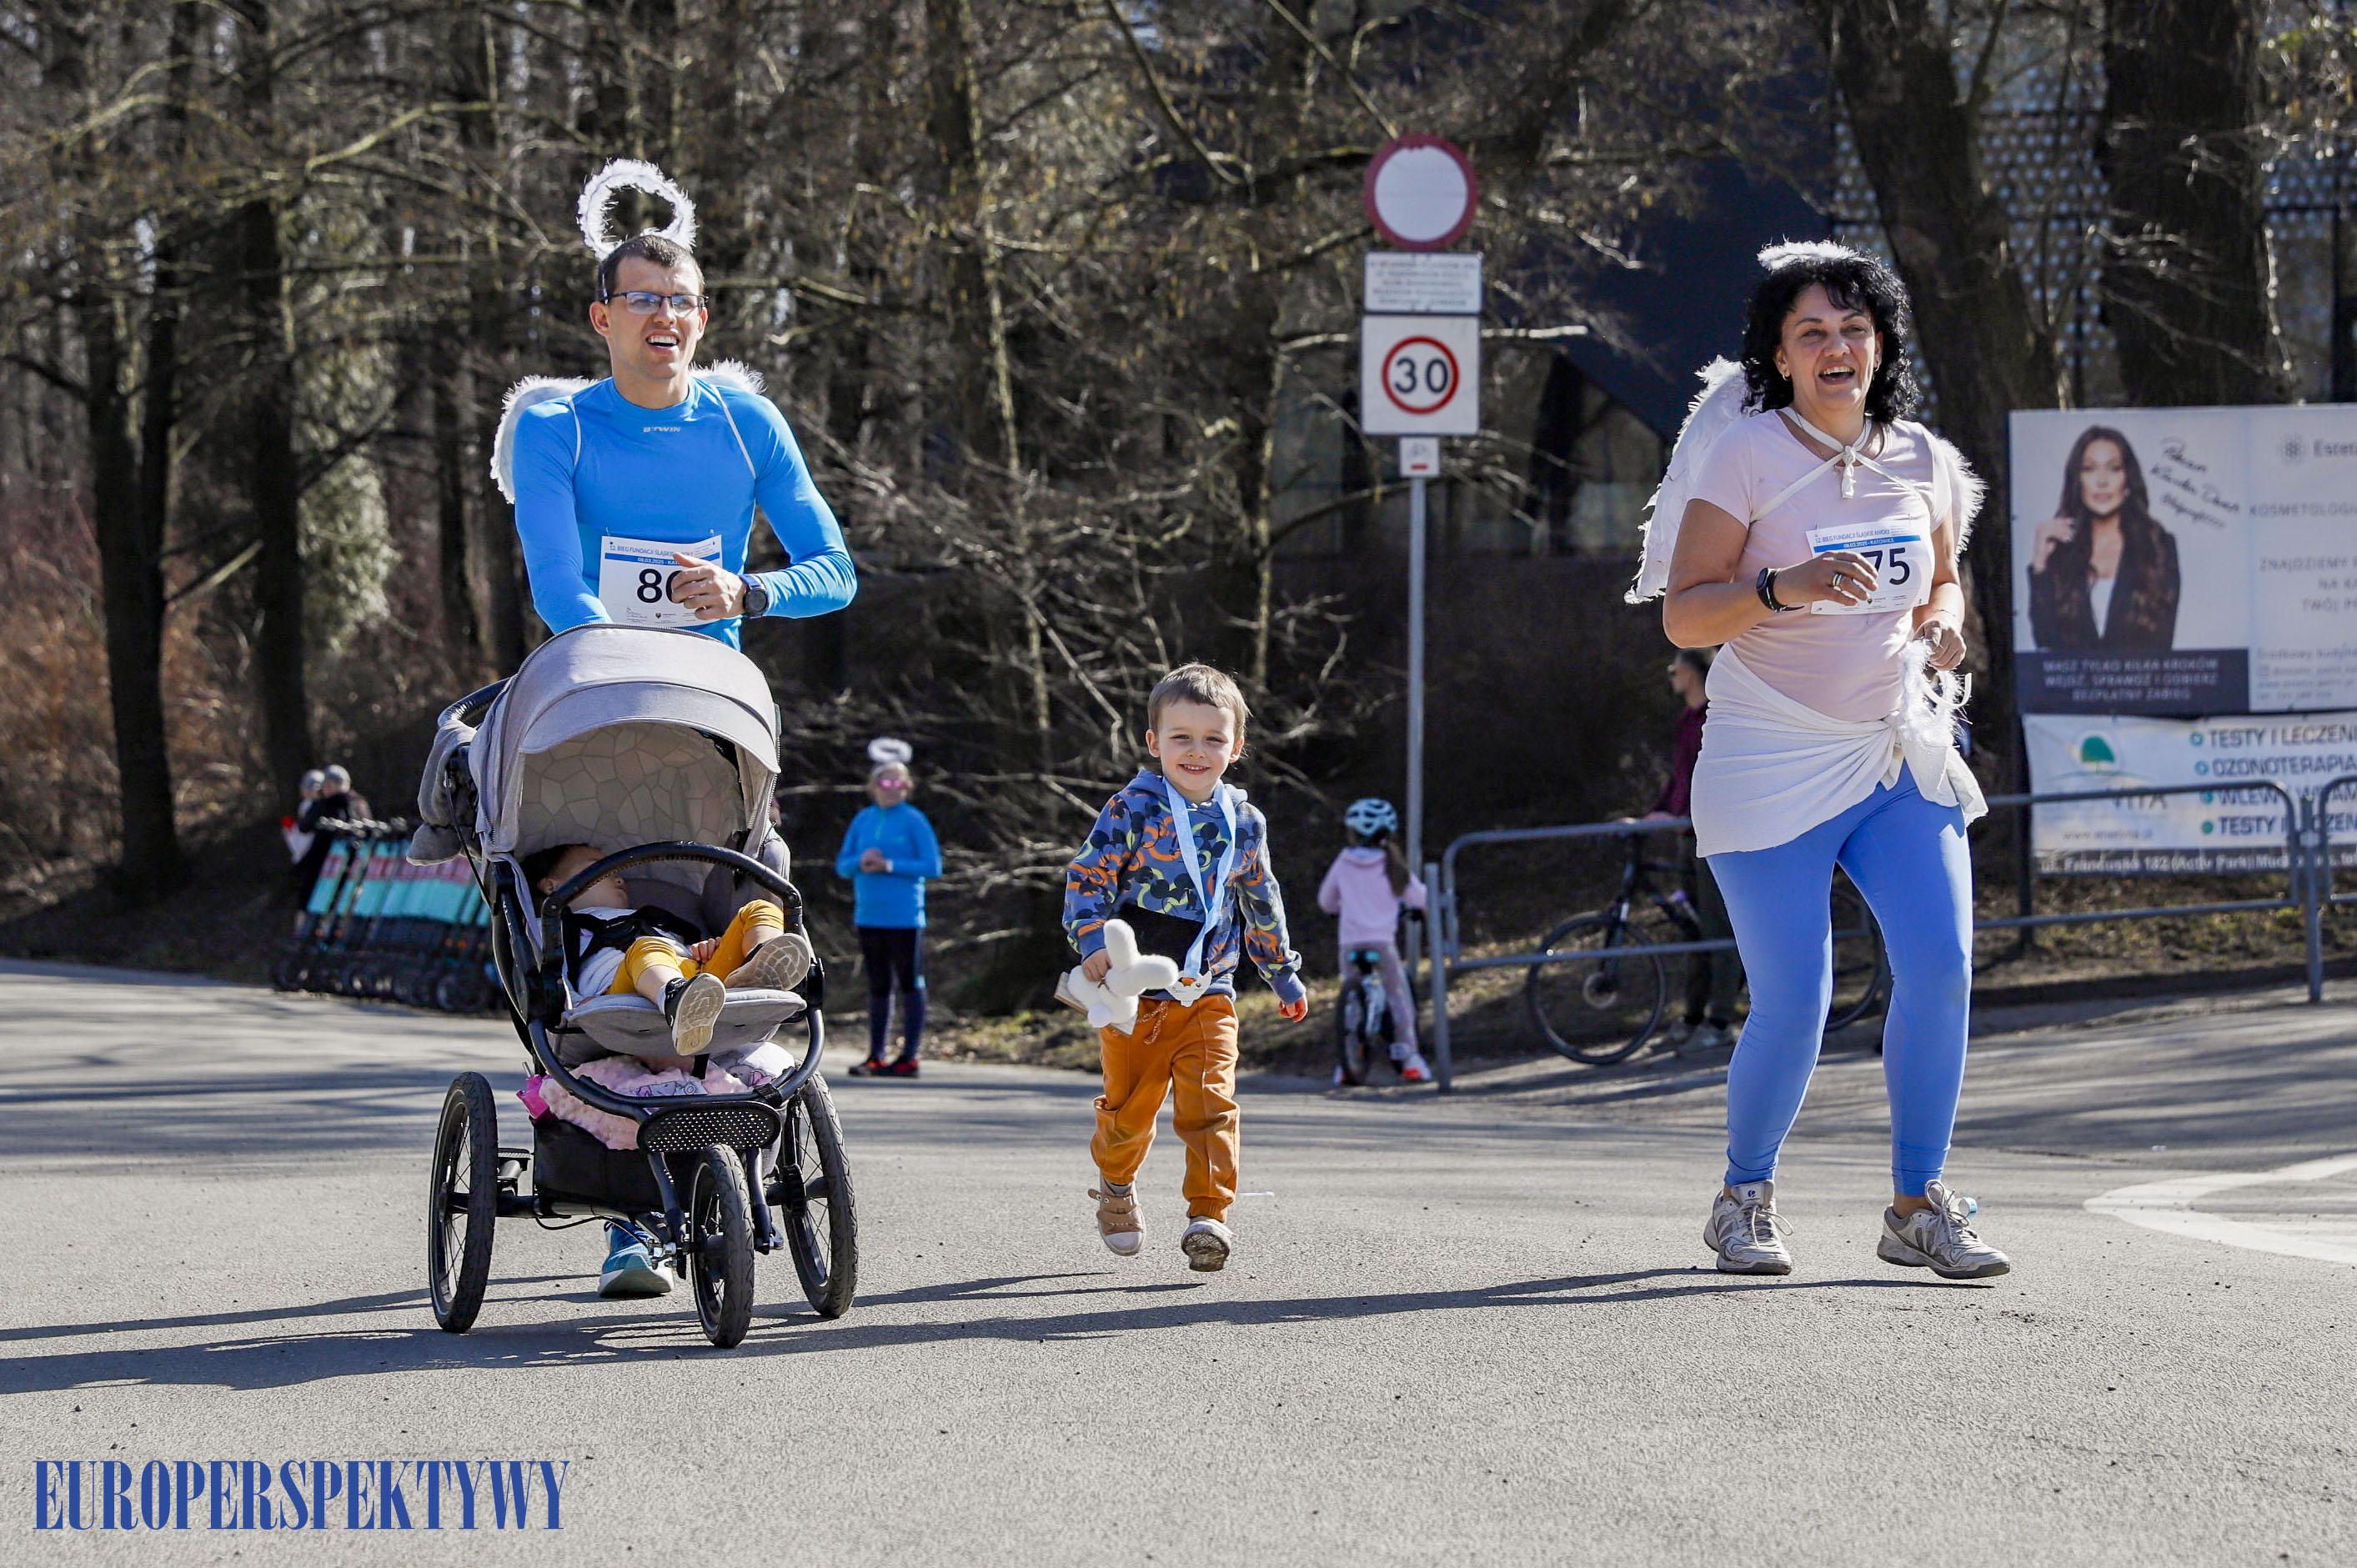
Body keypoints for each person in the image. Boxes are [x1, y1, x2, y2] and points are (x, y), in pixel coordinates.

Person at [1650, 240, 2008, 1280]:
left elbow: (1944, 580)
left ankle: (1917, 1206)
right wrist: (1782, 591)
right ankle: (1743, 1197)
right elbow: (1683, 614)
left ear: (1881, 342)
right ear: (1780, 353)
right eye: (1811, 332)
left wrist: (1943, 626)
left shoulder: (1923, 457)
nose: (1836, 346)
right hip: (1771, 755)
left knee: (1940, 972)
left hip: (1895, 748)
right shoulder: (1748, 456)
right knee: (1795, 998)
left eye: (1853, 328)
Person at [504, 160, 855, 650]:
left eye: (682, 301)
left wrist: (749, 591)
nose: (666, 316)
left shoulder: (750, 424)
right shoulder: (554, 430)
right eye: (643, 299)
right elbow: (555, 580)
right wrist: (619, 656)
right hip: (596, 670)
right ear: (602, 318)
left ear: (702, 320)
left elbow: (836, 573)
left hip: (714, 686)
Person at [1063, 664, 1308, 1273]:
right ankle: (1115, 1185)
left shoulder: (1244, 821)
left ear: (1237, 746)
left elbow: (1260, 896)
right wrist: (1090, 937)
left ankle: (1208, 1215)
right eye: (1181, 737)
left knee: (1212, 1103)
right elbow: (1087, 877)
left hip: (1210, 987)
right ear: (1153, 742)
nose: (1196, 752)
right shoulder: (1133, 808)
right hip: (1136, 993)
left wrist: (1280, 968)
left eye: (1212, 739)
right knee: (1129, 1112)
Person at [523, 840, 805, 1297]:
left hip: (702, 988)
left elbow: (690, 948)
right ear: (553, 886)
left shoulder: (661, 917)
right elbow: (553, 979)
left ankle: (759, 968)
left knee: (757, 909)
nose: (618, 874)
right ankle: (676, 996)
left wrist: (706, 952)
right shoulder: (560, 925)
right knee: (647, 949)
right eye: (595, 867)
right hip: (623, 1000)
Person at [1637, 648, 1743, 1055]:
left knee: (1719, 928)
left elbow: (1711, 776)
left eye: (1675, 668)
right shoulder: (1687, 720)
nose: (1671, 675)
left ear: (1694, 673)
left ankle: (1720, 1018)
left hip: (1712, 833)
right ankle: (1694, 1015)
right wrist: (1658, 813)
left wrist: (1678, 813)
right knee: (1696, 928)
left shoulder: (1716, 717)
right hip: (1688, 832)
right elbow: (1680, 778)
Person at [833, 739, 943, 1078]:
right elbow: (842, 865)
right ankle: (876, 1056)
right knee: (878, 985)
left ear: (907, 787)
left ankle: (909, 1057)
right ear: (873, 785)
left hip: (906, 918)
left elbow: (933, 866)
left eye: (898, 782)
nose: (891, 788)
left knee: (910, 982)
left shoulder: (914, 819)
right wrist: (861, 863)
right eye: (885, 781)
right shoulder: (864, 819)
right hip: (869, 915)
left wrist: (890, 865)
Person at [2026, 425, 2179, 651]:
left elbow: (2162, 642)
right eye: (2089, 469)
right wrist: (2040, 565)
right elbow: (2045, 639)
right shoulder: (2061, 551)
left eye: (2114, 468)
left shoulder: (2158, 547)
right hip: (2074, 685)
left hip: (2139, 683)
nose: (2102, 481)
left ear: (2128, 478)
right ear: (2078, 480)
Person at [1315, 797, 1433, 1084]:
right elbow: (1421, 898)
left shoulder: (1344, 862)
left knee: (1352, 998)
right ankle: (1410, 1059)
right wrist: (1418, 912)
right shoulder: (1392, 864)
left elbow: (1326, 901)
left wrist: (1342, 908)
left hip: (1350, 943)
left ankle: (1346, 1065)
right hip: (1382, 943)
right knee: (1398, 997)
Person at [294, 764, 371, 900]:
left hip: (328, 863)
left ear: (329, 786)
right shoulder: (359, 802)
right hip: (354, 862)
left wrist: (318, 801)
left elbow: (305, 826)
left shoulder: (329, 804)